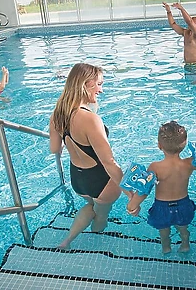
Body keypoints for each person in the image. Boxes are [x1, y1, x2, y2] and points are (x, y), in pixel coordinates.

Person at [49, 63, 127, 250]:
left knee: (91, 206)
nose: (101, 90)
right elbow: (108, 162)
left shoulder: (58, 114)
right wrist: (129, 190)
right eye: (99, 84)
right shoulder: (91, 119)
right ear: (86, 84)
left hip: (78, 179)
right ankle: (97, 243)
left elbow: (54, 149)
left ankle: (67, 241)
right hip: (101, 181)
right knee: (101, 215)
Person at [126, 121, 196, 254]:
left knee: (164, 232)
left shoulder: (155, 167)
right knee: (183, 229)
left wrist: (132, 206)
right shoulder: (189, 163)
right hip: (183, 205)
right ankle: (185, 245)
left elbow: (144, 189)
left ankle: (166, 248)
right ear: (185, 144)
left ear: (159, 146)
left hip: (162, 208)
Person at [163, 2, 196, 83]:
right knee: (188, 86)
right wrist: (168, 11)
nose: (190, 24)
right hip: (187, 65)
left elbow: (189, 22)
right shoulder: (185, 32)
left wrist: (181, 8)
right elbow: (173, 24)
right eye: (191, 21)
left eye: (193, 23)